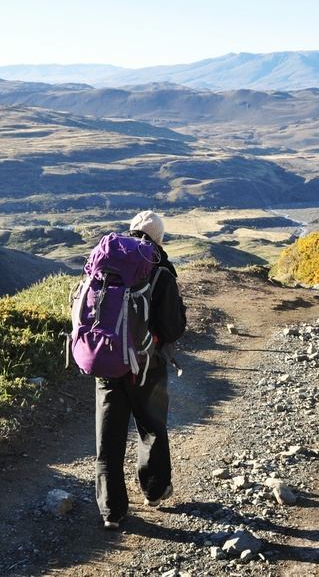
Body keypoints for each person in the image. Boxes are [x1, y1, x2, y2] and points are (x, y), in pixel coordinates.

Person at [96, 210, 187, 530]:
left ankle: (112, 511)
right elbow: (172, 328)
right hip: (147, 365)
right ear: (159, 238)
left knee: (109, 440)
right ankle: (155, 490)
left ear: (131, 231)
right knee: (151, 427)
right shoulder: (160, 268)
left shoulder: (106, 262)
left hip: (106, 362)